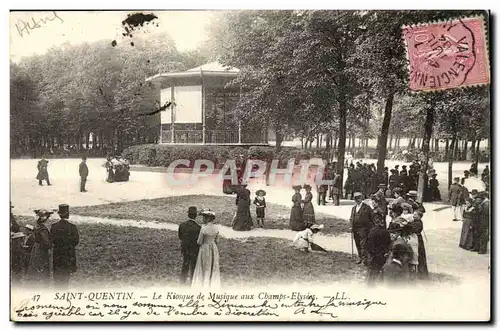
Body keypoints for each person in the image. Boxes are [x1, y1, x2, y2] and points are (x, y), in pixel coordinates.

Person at [51, 204, 79, 289]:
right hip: (68, 255)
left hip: (57, 254)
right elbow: (76, 241)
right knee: (65, 278)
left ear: (59, 214)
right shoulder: (72, 227)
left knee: (57, 278)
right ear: (68, 214)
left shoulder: (54, 226)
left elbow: (52, 240)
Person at [191, 210, 221, 289]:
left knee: (204, 266)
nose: (203, 219)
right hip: (213, 248)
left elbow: (199, 242)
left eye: (204, 218)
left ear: (208, 219)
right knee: (212, 265)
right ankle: (212, 283)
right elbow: (217, 241)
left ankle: (203, 284)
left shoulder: (203, 229)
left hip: (205, 248)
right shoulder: (216, 228)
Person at [27, 209, 53, 285]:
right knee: (41, 265)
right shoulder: (43, 229)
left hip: (36, 247)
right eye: (48, 217)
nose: (48, 219)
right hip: (41, 249)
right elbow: (46, 242)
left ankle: (35, 280)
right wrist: (50, 245)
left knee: (35, 263)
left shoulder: (37, 226)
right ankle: (41, 282)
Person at [349, 192, 375, 265]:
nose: (357, 200)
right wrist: (351, 226)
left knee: (363, 244)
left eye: (358, 198)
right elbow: (351, 218)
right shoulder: (354, 208)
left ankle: (365, 259)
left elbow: (372, 218)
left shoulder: (367, 207)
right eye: (355, 199)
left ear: (361, 198)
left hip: (364, 229)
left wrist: (370, 228)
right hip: (355, 229)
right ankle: (360, 257)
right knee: (357, 243)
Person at [178, 206, 201, 285]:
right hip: (194, 249)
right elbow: (199, 241)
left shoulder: (182, 225)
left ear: (188, 215)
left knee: (185, 264)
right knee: (193, 265)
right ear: (196, 215)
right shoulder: (198, 227)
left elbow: (180, 237)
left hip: (185, 248)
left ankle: (182, 281)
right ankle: (192, 282)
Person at [408, 210, 429, 279]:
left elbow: (411, 229)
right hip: (416, 239)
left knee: (420, 256)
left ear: (419, 216)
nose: (413, 215)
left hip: (418, 240)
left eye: (415, 215)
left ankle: (422, 274)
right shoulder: (415, 222)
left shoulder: (418, 223)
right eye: (413, 214)